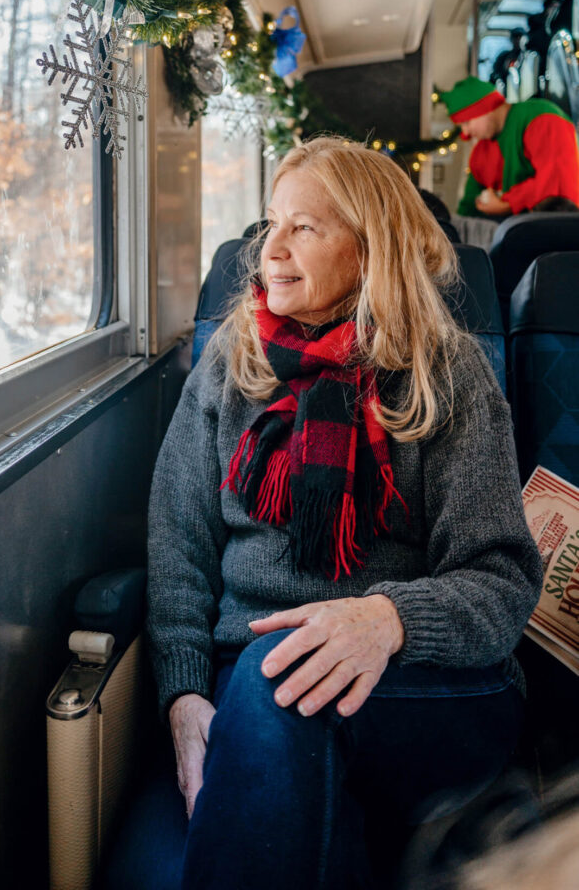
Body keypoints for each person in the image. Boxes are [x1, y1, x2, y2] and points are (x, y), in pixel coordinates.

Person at [146, 136, 542, 890]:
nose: (272, 249)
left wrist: (385, 618)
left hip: (427, 677)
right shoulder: (233, 363)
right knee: (277, 687)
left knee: (279, 682)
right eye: (271, 224)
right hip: (252, 674)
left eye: (306, 227)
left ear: (368, 251)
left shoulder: (444, 374)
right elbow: (178, 545)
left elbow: (501, 584)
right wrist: (185, 693)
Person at [439, 76, 579, 218]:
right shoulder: (481, 152)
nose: (465, 133)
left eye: (466, 122)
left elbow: (557, 182)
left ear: (483, 108)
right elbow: (468, 206)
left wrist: (507, 203)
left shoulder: (541, 117)